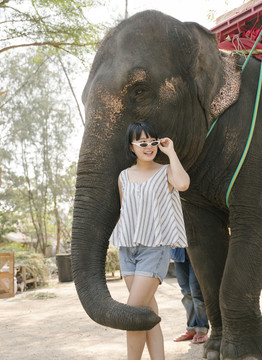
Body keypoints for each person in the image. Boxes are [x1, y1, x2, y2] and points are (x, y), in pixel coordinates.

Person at [108, 121, 190, 360]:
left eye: (152, 142)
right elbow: (125, 212)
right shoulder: (123, 176)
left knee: (132, 313)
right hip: (128, 250)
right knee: (147, 314)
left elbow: (183, 184)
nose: (149, 146)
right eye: (142, 143)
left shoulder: (165, 171)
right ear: (132, 147)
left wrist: (170, 151)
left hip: (155, 250)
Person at [171, 247, 209, 344]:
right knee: (186, 292)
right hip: (178, 250)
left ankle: (202, 329)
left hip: (196, 250)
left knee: (197, 292)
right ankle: (191, 328)